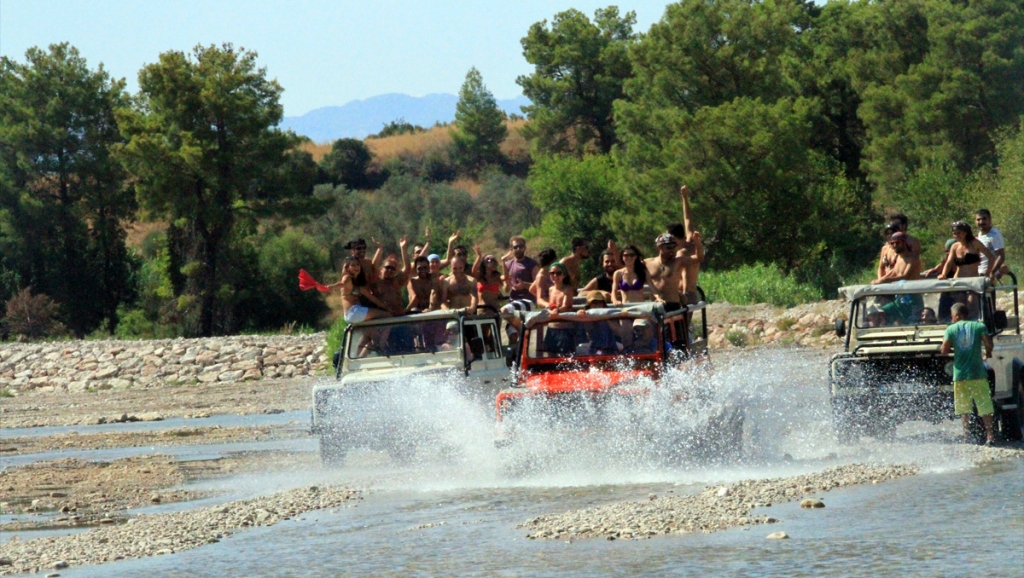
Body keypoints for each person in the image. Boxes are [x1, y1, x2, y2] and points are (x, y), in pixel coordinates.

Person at [940, 302, 996, 445]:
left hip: (960, 375)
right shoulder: (979, 326)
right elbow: (989, 344)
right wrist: (987, 352)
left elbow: (944, 350)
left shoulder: (951, 329)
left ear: (957, 316)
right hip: (977, 373)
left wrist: (952, 346)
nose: (952, 319)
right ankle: (989, 436)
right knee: (984, 404)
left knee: (963, 407)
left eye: (952, 316)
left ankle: (966, 436)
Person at [668, 185, 705, 307]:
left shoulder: (681, 253)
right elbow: (688, 218)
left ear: (674, 238)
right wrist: (684, 197)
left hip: (686, 295)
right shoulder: (691, 241)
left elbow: (681, 276)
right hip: (693, 293)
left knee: (680, 324)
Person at [644, 234, 698, 312]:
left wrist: (697, 243)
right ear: (659, 247)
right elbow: (628, 267)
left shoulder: (678, 262)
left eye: (674, 247)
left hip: (673, 305)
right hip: (655, 305)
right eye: (668, 247)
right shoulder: (647, 263)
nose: (672, 250)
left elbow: (699, 257)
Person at [334, 256, 390, 324]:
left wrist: (385, 307)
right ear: (348, 267)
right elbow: (342, 284)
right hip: (354, 311)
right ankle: (383, 335)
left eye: (358, 265)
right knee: (387, 315)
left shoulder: (357, 282)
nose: (356, 267)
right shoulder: (347, 278)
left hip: (353, 314)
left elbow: (371, 297)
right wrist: (330, 287)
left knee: (381, 316)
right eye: (353, 265)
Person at [504, 235, 539, 303]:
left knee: (505, 310)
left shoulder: (532, 264)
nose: (518, 249)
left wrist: (525, 285)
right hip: (513, 300)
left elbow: (538, 285)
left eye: (521, 246)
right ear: (511, 249)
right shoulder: (507, 265)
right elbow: (506, 290)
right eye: (515, 247)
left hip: (529, 300)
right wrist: (507, 284)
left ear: (525, 248)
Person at [974, 209, 1006, 279]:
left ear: (990, 219)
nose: (981, 222)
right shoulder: (979, 235)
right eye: (978, 220)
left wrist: (992, 272)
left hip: (989, 273)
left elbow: (1001, 256)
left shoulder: (994, 235)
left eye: (984, 219)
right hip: (979, 272)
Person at [472, 247, 505, 313]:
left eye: (494, 260)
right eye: (490, 260)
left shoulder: (497, 276)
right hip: (481, 309)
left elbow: (505, 277)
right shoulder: (480, 277)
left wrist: (504, 262)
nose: (493, 262)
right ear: (484, 263)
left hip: (494, 309)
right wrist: (479, 256)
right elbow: (474, 271)